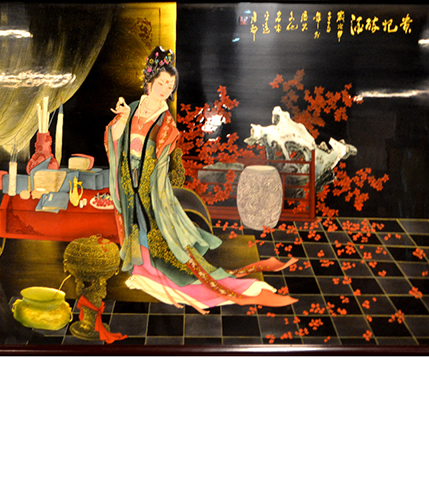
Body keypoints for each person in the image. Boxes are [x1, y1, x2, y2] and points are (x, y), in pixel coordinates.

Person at [105, 46, 298, 313]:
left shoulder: (166, 122)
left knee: (157, 237)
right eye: (161, 83)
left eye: (170, 86)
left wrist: (152, 188)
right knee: (135, 231)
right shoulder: (133, 108)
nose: (165, 90)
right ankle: (141, 271)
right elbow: (115, 140)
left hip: (150, 186)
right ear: (149, 81)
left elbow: (161, 162)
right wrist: (122, 122)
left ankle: (157, 275)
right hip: (129, 182)